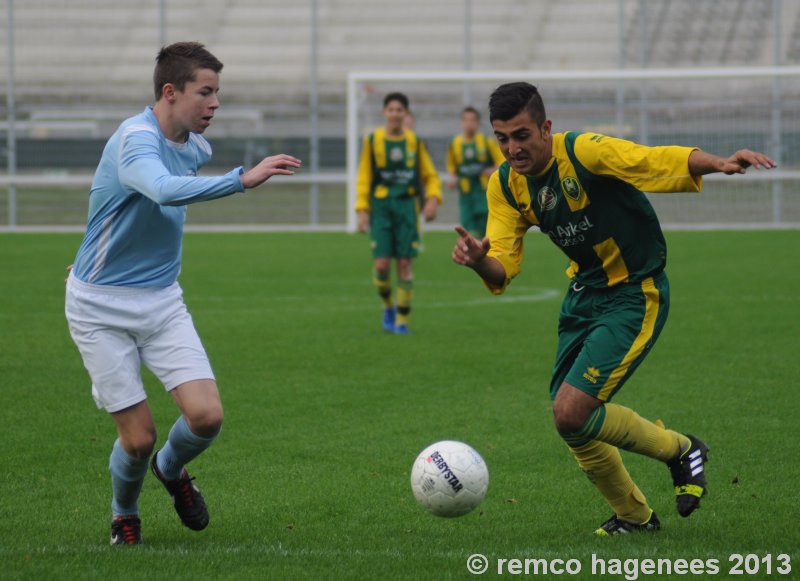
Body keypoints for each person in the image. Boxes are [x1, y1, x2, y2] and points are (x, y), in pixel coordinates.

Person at [452, 82, 776, 535]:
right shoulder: (505, 185)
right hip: (584, 296)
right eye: (502, 138)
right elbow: (503, 266)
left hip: (634, 294)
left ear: (546, 128)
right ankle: (634, 516)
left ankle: (681, 450)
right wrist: (477, 262)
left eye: (522, 135)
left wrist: (717, 162)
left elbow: (649, 161)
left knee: (571, 412)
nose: (512, 148)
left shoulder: (584, 152)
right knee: (571, 422)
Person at [65, 41, 301, 545]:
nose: (215, 104)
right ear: (170, 92)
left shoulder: (196, 148)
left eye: (218, 93)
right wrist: (243, 179)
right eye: (206, 93)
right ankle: (123, 513)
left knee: (207, 417)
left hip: (161, 300)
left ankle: (171, 471)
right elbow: (161, 190)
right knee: (138, 439)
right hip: (100, 308)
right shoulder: (134, 139)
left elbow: (124, 213)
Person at [356, 92, 442, 334]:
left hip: (406, 207)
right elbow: (364, 177)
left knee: (404, 263)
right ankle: (388, 306)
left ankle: (402, 320)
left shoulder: (415, 142)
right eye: (391, 109)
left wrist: (433, 199)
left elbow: (430, 175)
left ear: (405, 114)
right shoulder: (372, 141)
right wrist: (362, 210)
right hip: (381, 208)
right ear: (385, 113)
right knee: (382, 265)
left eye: (399, 110)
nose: (395, 114)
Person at [446, 106, 505, 238]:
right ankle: (473, 257)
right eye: (466, 120)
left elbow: (502, 161)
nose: (469, 124)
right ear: (461, 123)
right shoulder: (455, 143)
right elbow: (452, 166)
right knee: (467, 233)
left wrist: (493, 169)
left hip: (484, 193)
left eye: (472, 120)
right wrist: (453, 178)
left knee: (486, 232)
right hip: (466, 195)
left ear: (478, 123)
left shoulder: (487, 142)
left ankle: (485, 256)